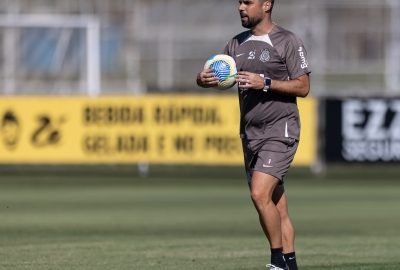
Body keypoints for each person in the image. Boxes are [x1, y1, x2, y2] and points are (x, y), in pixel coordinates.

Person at [196, 0, 311, 269]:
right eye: (239, 2)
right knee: (276, 207)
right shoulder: (235, 45)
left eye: (248, 2)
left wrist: (266, 83)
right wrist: (203, 79)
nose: (240, 7)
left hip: (280, 130)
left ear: (267, 4)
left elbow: (304, 86)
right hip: (250, 135)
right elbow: (214, 75)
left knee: (259, 194)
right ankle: (290, 265)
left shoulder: (288, 41)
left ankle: (277, 263)